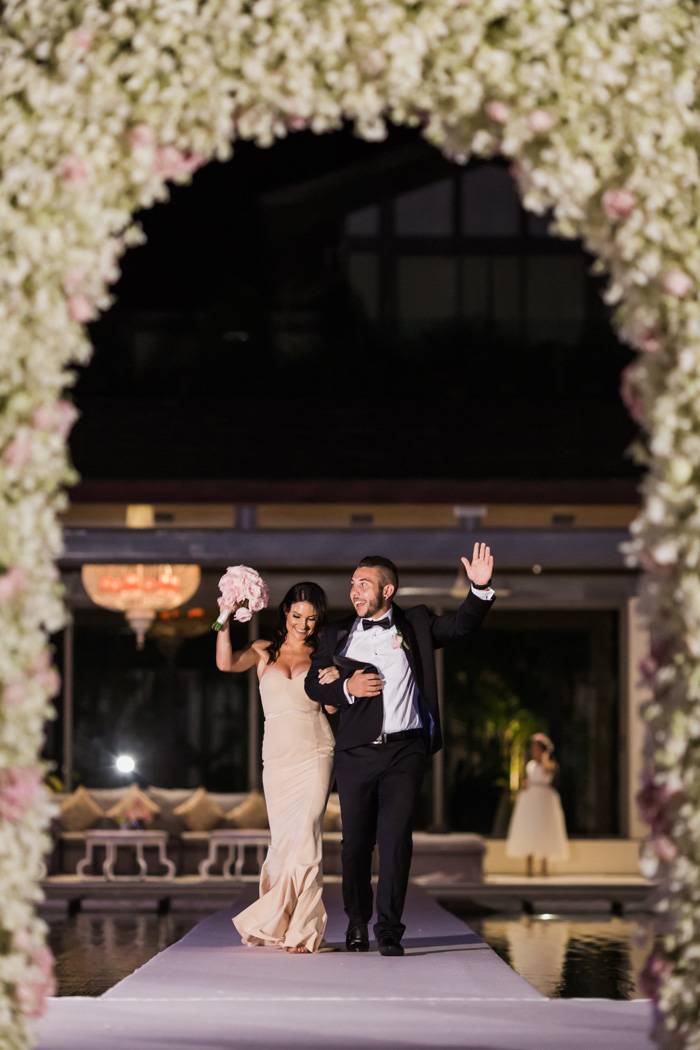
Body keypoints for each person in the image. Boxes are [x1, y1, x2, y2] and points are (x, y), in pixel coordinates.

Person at [305, 545, 495, 957]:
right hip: (355, 753)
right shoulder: (337, 633)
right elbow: (313, 685)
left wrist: (480, 588)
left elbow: (461, 627)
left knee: (394, 841)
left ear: (387, 590)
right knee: (356, 844)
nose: (355, 590)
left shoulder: (417, 624)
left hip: (404, 752)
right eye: (352, 583)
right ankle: (357, 923)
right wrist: (345, 689)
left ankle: (389, 929)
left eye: (364, 584)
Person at [216, 581, 339, 953]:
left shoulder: (322, 654)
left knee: (307, 838)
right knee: (285, 842)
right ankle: (278, 921)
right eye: (297, 616)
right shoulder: (263, 651)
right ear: (285, 612)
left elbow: (333, 708)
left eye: (311, 619)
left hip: (316, 750)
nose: (303, 625)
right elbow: (225, 663)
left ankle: (303, 929)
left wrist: (335, 680)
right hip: (277, 759)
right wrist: (223, 617)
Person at [505, 732, 569, 876]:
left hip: (544, 799)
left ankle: (544, 867)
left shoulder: (550, 764)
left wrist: (545, 756)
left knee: (544, 829)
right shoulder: (530, 765)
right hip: (530, 799)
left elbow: (548, 773)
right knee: (529, 829)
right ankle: (528, 867)